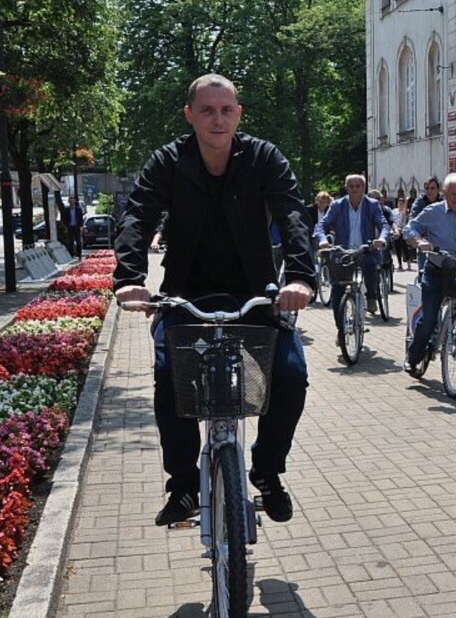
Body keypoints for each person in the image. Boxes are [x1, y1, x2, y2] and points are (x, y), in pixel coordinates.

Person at [113, 73, 315, 527]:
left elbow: (293, 215)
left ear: (238, 114)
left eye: (226, 110)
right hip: (185, 296)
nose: (217, 119)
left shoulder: (264, 158)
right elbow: (138, 215)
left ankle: (266, 471)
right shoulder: (168, 162)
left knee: (291, 376)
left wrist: (300, 278)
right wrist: (129, 278)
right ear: (190, 115)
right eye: (206, 110)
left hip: (257, 296)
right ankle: (184, 484)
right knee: (170, 377)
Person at [402, 172, 456, 372]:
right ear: (444, 193)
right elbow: (410, 228)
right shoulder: (433, 212)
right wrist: (419, 241)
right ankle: (413, 357)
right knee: (429, 319)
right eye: (453, 194)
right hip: (437, 270)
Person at [314, 174, 388, 329]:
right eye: (351, 186)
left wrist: (381, 239)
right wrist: (322, 240)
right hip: (343, 253)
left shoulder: (372, 205)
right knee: (338, 290)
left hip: (365, 250)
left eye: (358, 186)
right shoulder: (337, 205)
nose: (354, 189)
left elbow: (383, 225)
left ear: (364, 188)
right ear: (346, 188)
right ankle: (340, 329)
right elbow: (322, 225)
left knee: (370, 264)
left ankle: (371, 296)